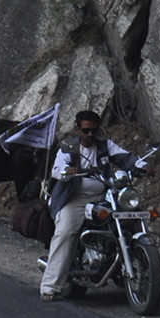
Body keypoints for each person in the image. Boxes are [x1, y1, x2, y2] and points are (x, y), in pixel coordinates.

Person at [39, 111, 131, 301]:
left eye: (94, 131)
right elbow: (57, 169)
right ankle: (49, 287)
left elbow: (125, 157)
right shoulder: (68, 148)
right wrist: (67, 171)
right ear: (78, 129)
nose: (90, 135)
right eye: (86, 130)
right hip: (75, 198)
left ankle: (128, 266)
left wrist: (141, 164)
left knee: (128, 216)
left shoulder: (105, 146)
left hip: (103, 197)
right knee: (65, 232)